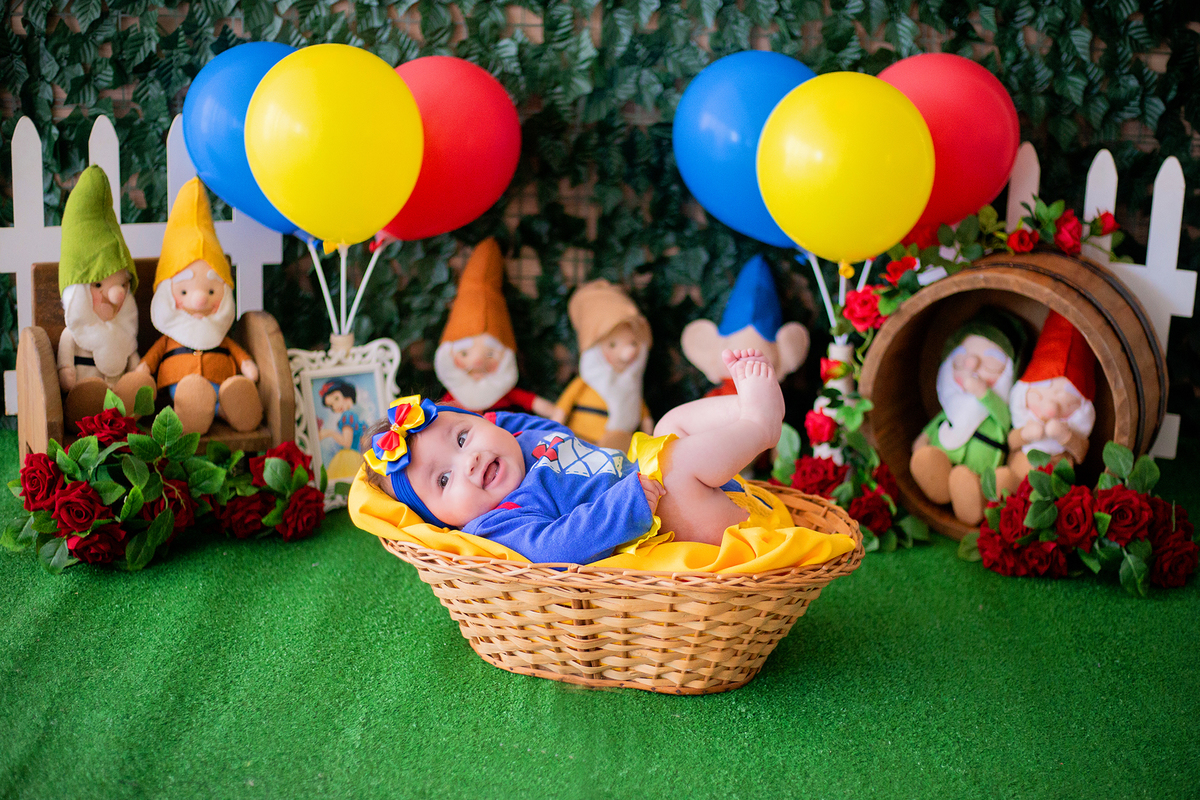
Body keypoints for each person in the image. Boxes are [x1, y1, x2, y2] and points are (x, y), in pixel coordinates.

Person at [361, 349, 784, 564]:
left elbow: (500, 424)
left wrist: (488, 426)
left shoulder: (519, 440)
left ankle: (743, 409)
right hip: (671, 527)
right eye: (443, 480)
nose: (467, 461)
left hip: (674, 484)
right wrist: (628, 504)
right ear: (443, 521)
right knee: (677, 465)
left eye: (461, 438)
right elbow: (555, 546)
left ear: (487, 420)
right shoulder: (500, 520)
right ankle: (758, 429)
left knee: (669, 425)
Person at [136, 177, 263, 435]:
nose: (200, 300)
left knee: (227, 392)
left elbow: (237, 353)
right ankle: (194, 412)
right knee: (188, 394)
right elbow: (150, 360)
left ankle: (230, 405)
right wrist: (141, 371)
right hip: (178, 393)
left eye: (211, 290)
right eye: (184, 291)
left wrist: (247, 366)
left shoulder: (221, 337)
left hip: (221, 383)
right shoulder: (170, 338)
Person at [56, 164, 157, 425]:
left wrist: (138, 377)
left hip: (121, 407)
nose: (117, 295)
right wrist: (66, 374)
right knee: (88, 397)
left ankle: (126, 408)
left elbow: (135, 365)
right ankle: (88, 404)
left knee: (136, 386)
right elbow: (66, 372)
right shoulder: (73, 334)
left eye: (123, 285)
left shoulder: (124, 334)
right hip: (84, 405)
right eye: (99, 285)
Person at [909, 312, 1025, 525]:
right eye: (961, 360)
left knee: (972, 479)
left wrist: (985, 394)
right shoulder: (951, 408)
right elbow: (934, 426)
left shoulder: (997, 412)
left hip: (982, 474)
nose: (971, 366)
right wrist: (922, 442)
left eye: (990, 364)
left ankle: (971, 501)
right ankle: (939, 485)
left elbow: (1006, 420)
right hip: (943, 457)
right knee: (926, 458)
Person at [435, 238, 563, 420]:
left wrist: (553, 412)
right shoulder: (453, 397)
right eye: (464, 354)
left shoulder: (503, 392)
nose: (478, 362)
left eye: (490, 354)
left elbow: (529, 400)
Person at [555, 279, 655, 452]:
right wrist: (554, 429)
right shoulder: (586, 381)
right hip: (582, 444)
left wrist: (649, 434)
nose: (628, 352)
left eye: (634, 343)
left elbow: (640, 409)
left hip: (621, 451)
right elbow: (563, 407)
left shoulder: (631, 387)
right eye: (612, 345)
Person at [1007, 310, 1096, 477]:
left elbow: (1081, 453)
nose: (1050, 408)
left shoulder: (1073, 428)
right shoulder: (1025, 419)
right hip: (1018, 471)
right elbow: (1012, 442)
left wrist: (1065, 436)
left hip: (1055, 476)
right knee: (1005, 479)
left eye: (1066, 403)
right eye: (1039, 396)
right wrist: (1026, 434)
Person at [319, 378, 369, 451]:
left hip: (352, 455)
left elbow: (346, 443)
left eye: (336, 398)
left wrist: (329, 433)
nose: (335, 406)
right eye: (331, 405)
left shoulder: (348, 416)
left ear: (345, 392)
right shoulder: (355, 415)